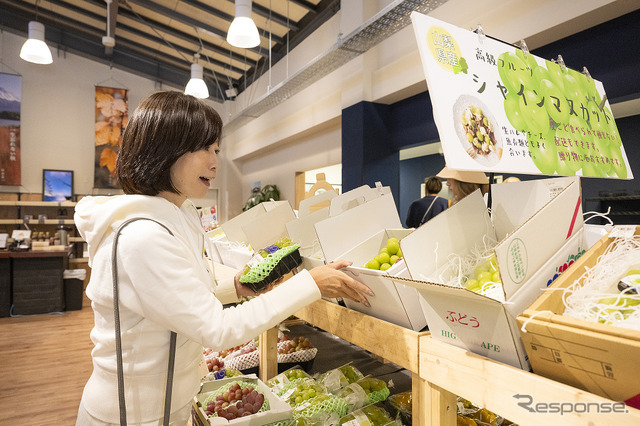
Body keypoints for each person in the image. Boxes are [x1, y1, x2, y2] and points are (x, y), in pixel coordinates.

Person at [74, 91, 373, 425]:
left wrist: (235, 286)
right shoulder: (142, 238)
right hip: (129, 416)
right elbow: (217, 330)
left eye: (216, 150)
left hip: (166, 407)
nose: (215, 162)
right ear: (166, 149)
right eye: (206, 149)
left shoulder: (175, 218)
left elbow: (175, 301)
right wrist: (311, 284)